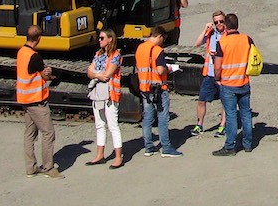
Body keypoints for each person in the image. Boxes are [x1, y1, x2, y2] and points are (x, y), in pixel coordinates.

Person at [16, 26, 63, 178]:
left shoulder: (22, 52)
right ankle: (49, 168)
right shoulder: (34, 56)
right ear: (39, 38)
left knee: (29, 134)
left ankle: (31, 168)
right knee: (48, 132)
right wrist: (48, 73)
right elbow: (44, 75)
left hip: (25, 100)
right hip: (36, 101)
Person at [212, 13, 255, 156]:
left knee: (231, 116)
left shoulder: (222, 42)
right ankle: (248, 144)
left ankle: (230, 147)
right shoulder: (246, 39)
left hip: (228, 84)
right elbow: (254, 58)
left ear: (225, 25)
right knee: (246, 114)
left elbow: (217, 67)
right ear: (237, 25)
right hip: (244, 82)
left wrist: (217, 78)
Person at [135, 26, 182, 158]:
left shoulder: (140, 48)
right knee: (163, 118)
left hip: (145, 88)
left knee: (148, 118)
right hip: (159, 88)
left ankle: (149, 147)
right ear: (160, 36)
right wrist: (169, 69)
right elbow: (160, 71)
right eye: (163, 39)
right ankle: (166, 147)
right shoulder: (157, 51)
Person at [85, 28, 124, 168]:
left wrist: (95, 73)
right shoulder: (98, 54)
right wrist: (97, 75)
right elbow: (89, 72)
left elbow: (108, 74)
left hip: (110, 94)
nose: (99, 40)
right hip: (97, 93)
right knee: (99, 124)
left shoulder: (116, 55)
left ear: (110, 39)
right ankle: (99, 155)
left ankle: (118, 157)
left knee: (113, 125)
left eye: (102, 38)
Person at [192, 10, 227, 137]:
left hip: (223, 74)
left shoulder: (228, 35)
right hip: (210, 73)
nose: (219, 24)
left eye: (221, 21)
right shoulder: (211, 33)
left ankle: (222, 126)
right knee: (202, 100)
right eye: (216, 22)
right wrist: (205, 29)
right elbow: (197, 43)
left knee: (225, 101)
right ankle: (199, 125)